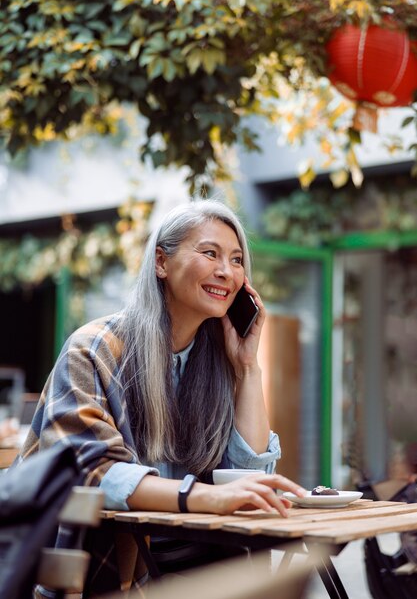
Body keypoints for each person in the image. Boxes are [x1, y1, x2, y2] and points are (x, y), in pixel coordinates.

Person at [17, 199, 306, 592]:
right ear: (161, 263)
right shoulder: (94, 348)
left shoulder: (217, 361)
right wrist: (203, 498)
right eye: (210, 253)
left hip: (188, 557)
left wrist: (247, 368)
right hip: (102, 564)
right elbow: (92, 473)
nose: (226, 271)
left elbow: (248, 476)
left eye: (237, 260)